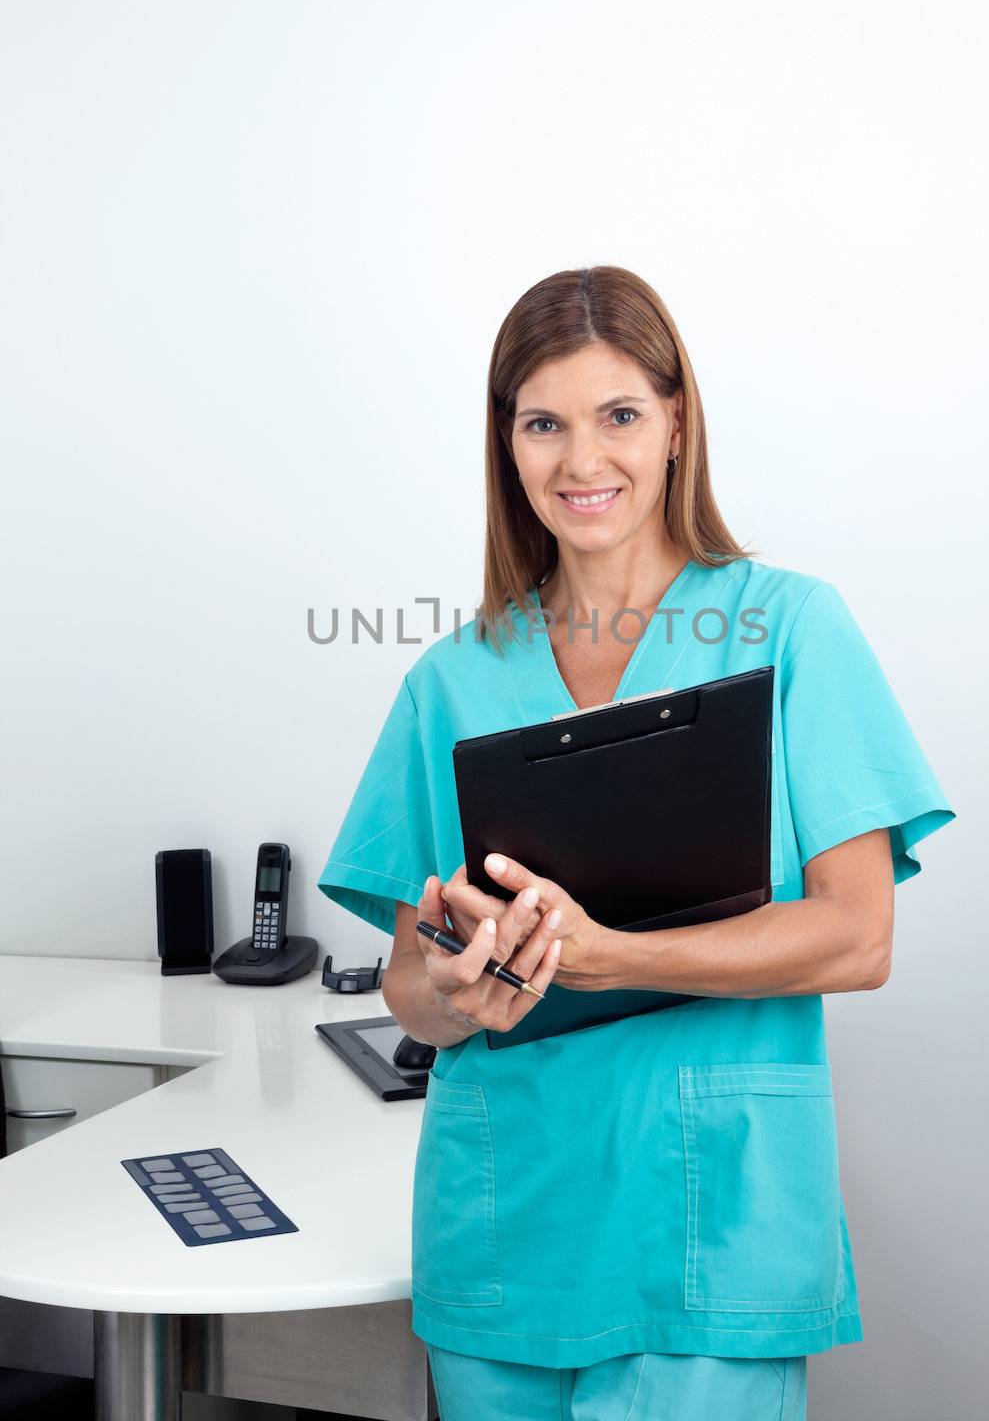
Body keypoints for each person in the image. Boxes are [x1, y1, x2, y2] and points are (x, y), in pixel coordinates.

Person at [317, 265, 955, 1421]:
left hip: (709, 1222)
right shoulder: (450, 678)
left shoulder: (789, 629)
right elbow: (410, 987)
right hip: (506, 1224)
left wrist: (609, 954)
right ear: (505, 446)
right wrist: (456, 993)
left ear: (674, 426)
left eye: (617, 414)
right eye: (542, 423)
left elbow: (856, 937)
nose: (580, 461)